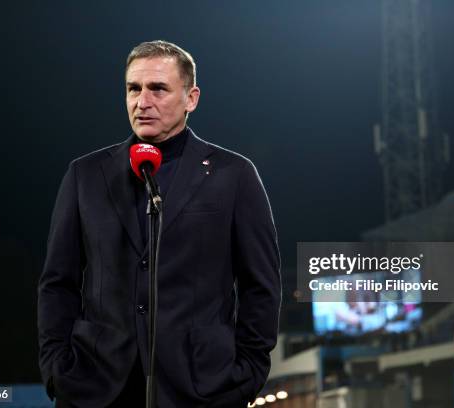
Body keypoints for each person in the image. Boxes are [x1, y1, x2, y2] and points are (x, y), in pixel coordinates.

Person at [37, 40, 281, 408]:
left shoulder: (234, 175)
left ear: (191, 98)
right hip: (96, 388)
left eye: (158, 89)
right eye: (133, 88)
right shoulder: (85, 175)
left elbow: (261, 286)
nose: (142, 101)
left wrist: (247, 375)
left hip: (203, 388)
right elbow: (57, 283)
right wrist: (57, 368)